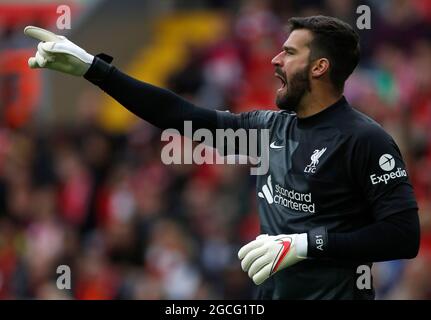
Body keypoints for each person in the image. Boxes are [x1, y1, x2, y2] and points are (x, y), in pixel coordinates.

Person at [24, 15, 420, 300]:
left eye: (289, 53)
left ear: (319, 66)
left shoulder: (366, 140)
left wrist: (305, 244)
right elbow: (179, 116)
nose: (275, 60)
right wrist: (95, 69)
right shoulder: (269, 130)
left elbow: (403, 236)